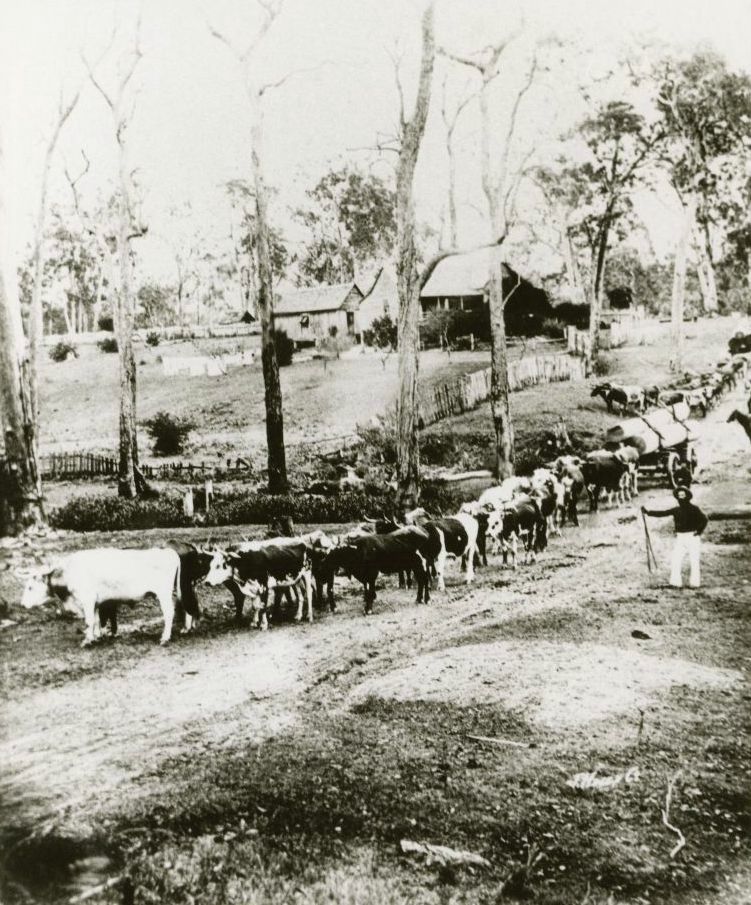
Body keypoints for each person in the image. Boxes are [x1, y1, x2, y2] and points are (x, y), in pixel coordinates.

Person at [642, 487, 708, 589]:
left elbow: (704, 519)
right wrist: (648, 512)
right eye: (679, 496)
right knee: (676, 559)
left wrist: (698, 531)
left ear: (687, 496)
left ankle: (695, 583)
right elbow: (663, 513)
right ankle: (675, 582)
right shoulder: (676, 510)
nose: (681, 498)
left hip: (692, 537)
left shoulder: (694, 508)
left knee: (694, 560)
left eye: (683, 495)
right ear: (677, 497)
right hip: (680, 538)